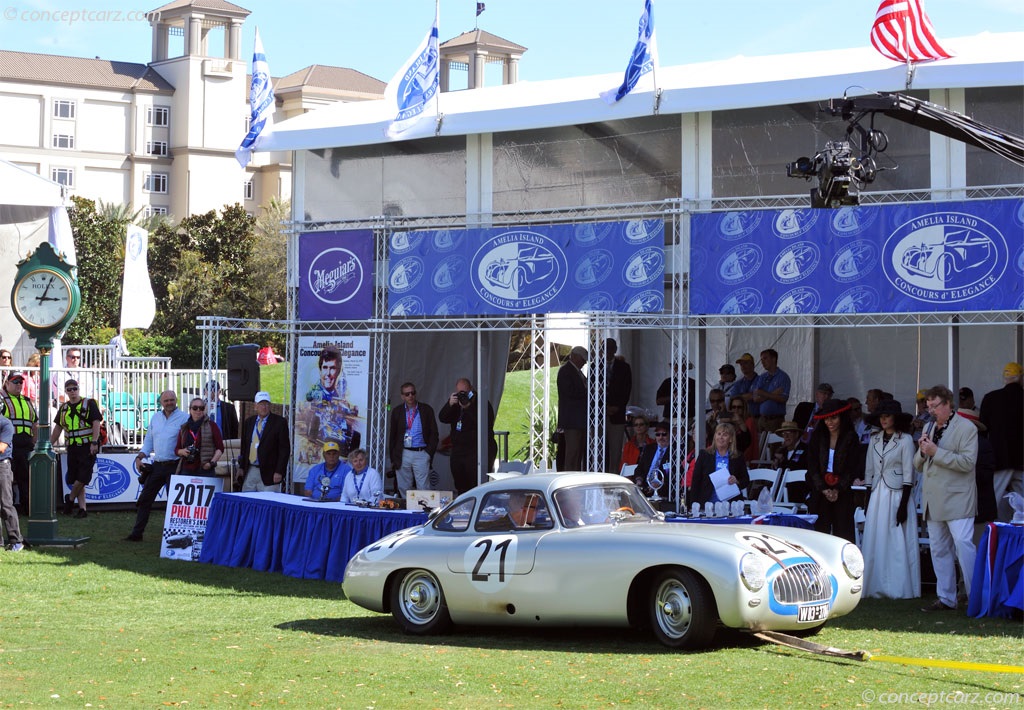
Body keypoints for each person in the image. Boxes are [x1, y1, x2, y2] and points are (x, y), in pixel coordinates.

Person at [915, 384, 978, 612]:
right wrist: (922, 451)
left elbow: (967, 463)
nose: (930, 410)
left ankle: (975, 596)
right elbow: (917, 465)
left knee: (963, 546)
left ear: (948, 404)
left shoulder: (966, 428)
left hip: (958, 498)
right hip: (934, 499)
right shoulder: (929, 427)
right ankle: (946, 598)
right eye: (928, 405)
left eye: (935, 405)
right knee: (939, 549)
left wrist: (936, 453)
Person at [859, 399, 919, 599]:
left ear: (896, 418)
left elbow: (909, 473)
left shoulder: (906, 440)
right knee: (876, 535)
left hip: (897, 493)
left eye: (888, 416)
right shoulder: (874, 439)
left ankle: (898, 585)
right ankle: (874, 583)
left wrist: (903, 504)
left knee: (896, 538)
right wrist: (867, 497)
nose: (884, 420)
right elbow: (869, 469)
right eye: (881, 416)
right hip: (877, 493)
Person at [125, 390, 188, 541]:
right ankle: (136, 534)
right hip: (157, 465)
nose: (169, 403)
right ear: (161, 402)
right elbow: (148, 442)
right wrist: (140, 456)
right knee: (145, 500)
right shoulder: (155, 418)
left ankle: (178, 536)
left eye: (172, 400)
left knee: (176, 503)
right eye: (166, 401)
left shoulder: (184, 418)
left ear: (176, 400)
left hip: (176, 465)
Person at [806, 398, 861, 542]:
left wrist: (837, 489)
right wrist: (823, 488)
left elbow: (853, 466)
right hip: (820, 490)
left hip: (843, 491)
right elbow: (812, 465)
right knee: (818, 533)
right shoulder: (818, 437)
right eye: (826, 419)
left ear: (841, 417)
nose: (829, 422)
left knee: (843, 532)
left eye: (834, 418)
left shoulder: (851, 438)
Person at [50, 379, 103, 519]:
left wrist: (94, 442)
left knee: (83, 477)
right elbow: (58, 428)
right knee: (76, 478)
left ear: (78, 389)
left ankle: (70, 499)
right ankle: (82, 508)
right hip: (72, 447)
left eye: (75, 388)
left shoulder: (89, 403)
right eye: (69, 389)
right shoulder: (64, 408)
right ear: (66, 392)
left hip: (87, 446)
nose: (72, 391)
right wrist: (49, 444)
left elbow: (96, 423)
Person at [979, 362, 1023, 522]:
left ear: (1004, 378)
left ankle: (990, 540)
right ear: (1021, 378)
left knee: (993, 503)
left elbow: (983, 430)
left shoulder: (991, 398)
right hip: (1021, 461)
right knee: (1022, 506)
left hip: (999, 458)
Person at [439, 378, 497, 494]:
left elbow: (485, 424)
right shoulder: (456, 404)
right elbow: (443, 418)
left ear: (471, 389)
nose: (462, 395)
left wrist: (468, 407)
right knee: (460, 484)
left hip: (476, 451)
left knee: (475, 485)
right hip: (459, 451)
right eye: (459, 392)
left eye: (464, 392)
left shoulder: (481, 402)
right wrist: (449, 404)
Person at [387, 381, 438, 496]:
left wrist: (428, 453)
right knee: (404, 487)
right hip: (403, 452)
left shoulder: (426, 409)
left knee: (424, 487)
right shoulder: (397, 411)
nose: (410, 396)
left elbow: (434, 433)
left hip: (421, 452)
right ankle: (407, 510)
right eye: (407, 394)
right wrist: (393, 458)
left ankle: (423, 511)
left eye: (412, 393)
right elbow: (393, 436)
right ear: (402, 396)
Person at [956, 408, 996, 540]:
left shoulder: (982, 445)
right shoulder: (958, 443)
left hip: (978, 506)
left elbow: (984, 475)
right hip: (964, 506)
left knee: (976, 546)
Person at [239, 391, 291, 493]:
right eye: (261, 404)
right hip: (251, 469)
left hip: (270, 472)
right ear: (255, 406)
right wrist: (241, 467)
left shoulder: (279, 422)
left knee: (268, 503)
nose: (264, 407)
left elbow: (284, 449)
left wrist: (279, 471)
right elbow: (244, 447)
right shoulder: (249, 422)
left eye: (267, 404)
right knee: (248, 501)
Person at [0, 373, 38, 514]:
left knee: (25, 477)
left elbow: (34, 423)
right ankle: (8, 508)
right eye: (15, 382)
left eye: (21, 382)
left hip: (26, 444)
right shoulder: (2, 400)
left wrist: (34, 440)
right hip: (9, 444)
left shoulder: (27, 401)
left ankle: (26, 507)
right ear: (7, 384)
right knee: (8, 478)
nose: (18, 385)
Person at [689, 422, 749, 506]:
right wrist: (693, 504)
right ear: (715, 437)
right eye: (718, 434)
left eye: (725, 435)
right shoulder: (704, 455)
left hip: (731, 505)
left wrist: (736, 481)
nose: (721, 437)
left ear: (731, 439)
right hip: (707, 504)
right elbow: (696, 481)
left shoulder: (738, 457)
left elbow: (746, 480)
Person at [557, 346, 588, 471]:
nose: (585, 362)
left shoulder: (577, 372)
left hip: (580, 419)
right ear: (574, 356)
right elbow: (569, 392)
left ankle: (576, 475)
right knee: (572, 453)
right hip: (572, 420)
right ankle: (569, 476)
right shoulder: (565, 371)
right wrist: (588, 391)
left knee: (578, 453)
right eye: (582, 359)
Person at [604, 338, 632, 474]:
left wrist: (618, 407)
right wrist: (603, 408)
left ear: (615, 350)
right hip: (599, 416)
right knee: (599, 449)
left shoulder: (624, 367)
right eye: (605, 348)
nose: (607, 351)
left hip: (617, 415)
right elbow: (591, 392)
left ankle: (613, 475)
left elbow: (627, 390)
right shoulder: (594, 366)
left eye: (610, 348)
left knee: (615, 450)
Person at [175, 398, 224, 475]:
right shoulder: (184, 428)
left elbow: (220, 448)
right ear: (190, 410)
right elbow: (177, 449)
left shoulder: (212, 425)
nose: (198, 410)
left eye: (201, 408)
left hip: (205, 468)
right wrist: (182, 451)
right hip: (187, 468)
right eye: (195, 408)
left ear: (204, 410)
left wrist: (211, 463)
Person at [0, 411, 25, 551]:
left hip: (2, 466)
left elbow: (2, 447)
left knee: (6, 504)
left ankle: (16, 540)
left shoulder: (5, 423)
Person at [750, 348, 790, 434]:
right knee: (760, 446)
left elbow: (783, 399)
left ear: (773, 359)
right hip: (762, 419)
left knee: (774, 446)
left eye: (765, 358)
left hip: (775, 420)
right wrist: (773, 394)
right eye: (761, 360)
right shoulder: (762, 377)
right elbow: (756, 398)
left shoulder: (783, 377)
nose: (762, 362)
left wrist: (763, 394)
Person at [632, 420, 673, 497]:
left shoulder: (674, 451)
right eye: (658, 435)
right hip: (645, 487)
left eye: (664, 434)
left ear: (670, 435)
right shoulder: (649, 448)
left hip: (663, 490)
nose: (661, 437)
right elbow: (639, 468)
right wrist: (639, 480)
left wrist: (659, 483)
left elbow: (674, 474)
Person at [773, 421, 809, 505]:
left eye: (789, 433)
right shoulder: (781, 451)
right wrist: (777, 463)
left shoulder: (806, 449)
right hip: (782, 490)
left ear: (796, 434)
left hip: (799, 489)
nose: (786, 436)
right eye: (784, 433)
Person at [730, 353, 760, 420]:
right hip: (741, 419)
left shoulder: (761, 380)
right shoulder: (738, 383)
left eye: (745, 363)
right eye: (741, 364)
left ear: (752, 365)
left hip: (757, 418)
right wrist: (751, 395)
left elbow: (761, 396)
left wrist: (741, 396)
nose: (743, 366)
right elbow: (733, 399)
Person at [729, 398, 758, 464]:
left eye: (739, 407)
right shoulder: (729, 422)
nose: (736, 410)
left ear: (744, 409)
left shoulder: (749, 422)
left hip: (744, 459)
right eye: (733, 407)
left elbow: (749, 444)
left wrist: (740, 422)